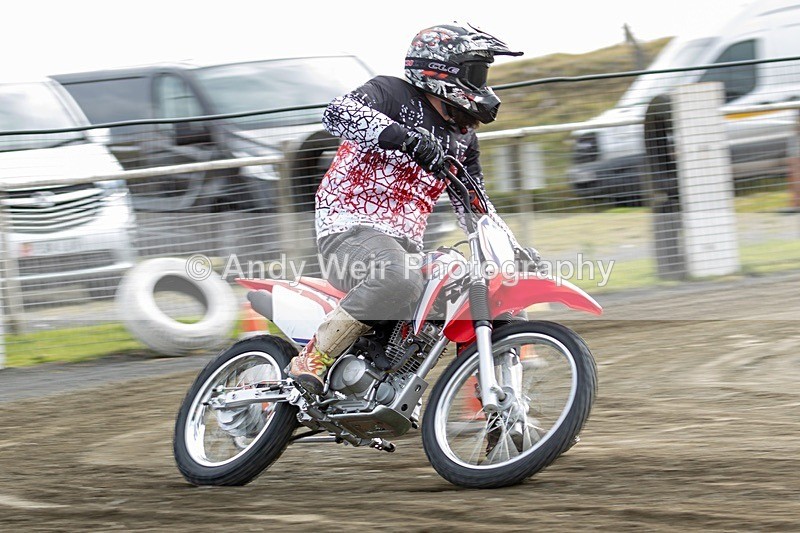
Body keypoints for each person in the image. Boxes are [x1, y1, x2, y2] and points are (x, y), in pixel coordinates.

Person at [289, 22, 534, 395]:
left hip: (405, 243)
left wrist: (512, 250)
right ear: (441, 69)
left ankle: (495, 410)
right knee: (398, 277)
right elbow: (337, 114)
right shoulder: (391, 92)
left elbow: (476, 204)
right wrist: (404, 138)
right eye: (476, 73)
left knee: (472, 289)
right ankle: (313, 358)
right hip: (349, 228)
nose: (482, 84)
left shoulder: (463, 137)